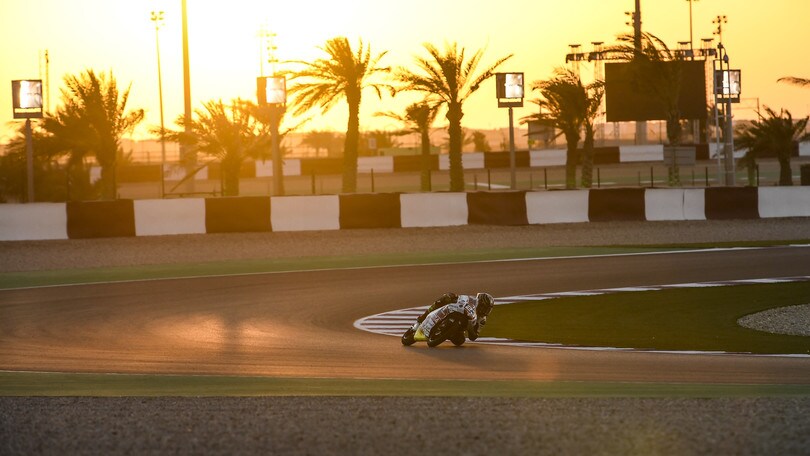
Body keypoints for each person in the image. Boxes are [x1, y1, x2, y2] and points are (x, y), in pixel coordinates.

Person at [404, 292, 494, 346]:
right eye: (484, 307)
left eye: (488, 309)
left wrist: (471, 326)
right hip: (453, 311)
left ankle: (446, 333)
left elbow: (473, 337)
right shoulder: (469, 300)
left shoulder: (482, 320)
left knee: (460, 341)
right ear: (479, 303)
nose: (485, 311)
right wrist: (453, 298)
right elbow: (457, 298)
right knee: (447, 296)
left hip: (459, 330)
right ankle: (421, 320)